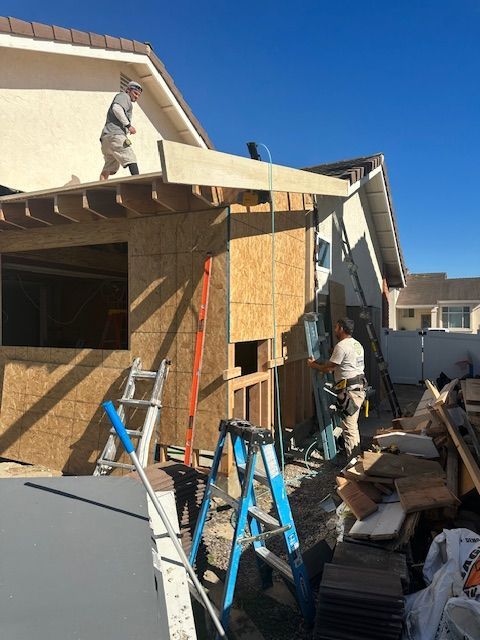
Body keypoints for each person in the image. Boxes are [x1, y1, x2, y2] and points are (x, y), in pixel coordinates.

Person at [307, 317, 366, 459]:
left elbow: (329, 368)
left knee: (350, 427)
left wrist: (313, 365)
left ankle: (354, 463)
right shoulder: (356, 344)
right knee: (350, 424)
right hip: (359, 388)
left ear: (341, 328)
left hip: (350, 392)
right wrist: (333, 352)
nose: (334, 330)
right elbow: (346, 358)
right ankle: (354, 458)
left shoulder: (342, 346)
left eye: (336, 327)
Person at [99, 81, 142, 180]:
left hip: (106, 139)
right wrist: (128, 126)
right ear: (128, 90)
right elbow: (117, 108)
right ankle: (139, 182)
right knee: (130, 157)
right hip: (115, 135)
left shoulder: (124, 98)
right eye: (135, 93)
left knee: (108, 167)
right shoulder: (124, 96)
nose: (136, 97)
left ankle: (100, 187)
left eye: (138, 95)